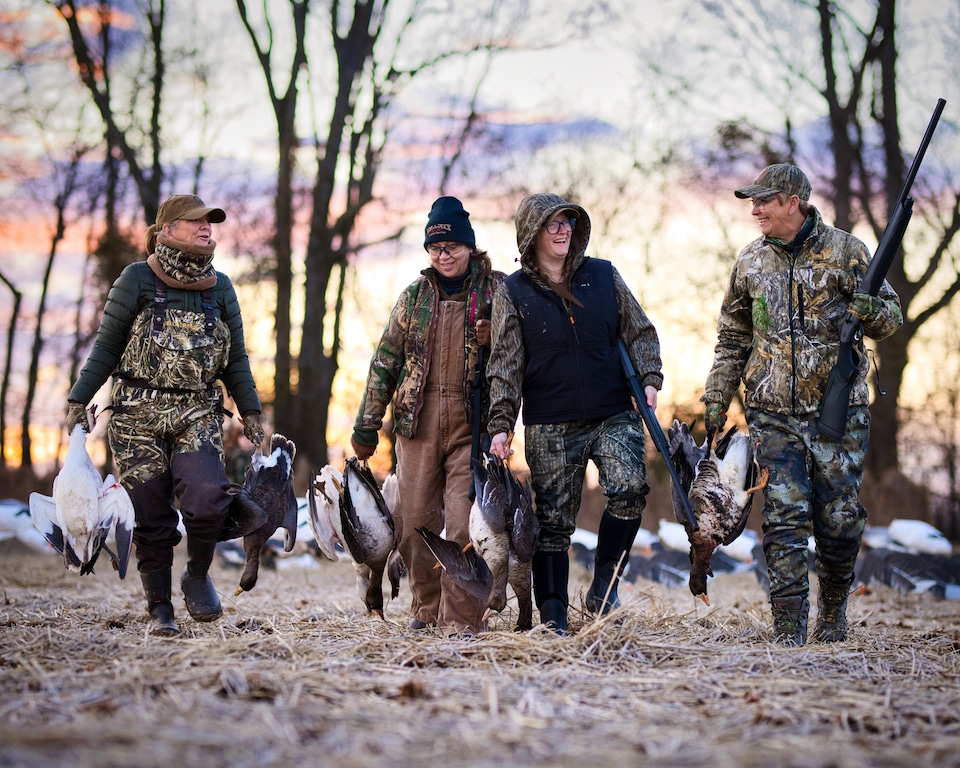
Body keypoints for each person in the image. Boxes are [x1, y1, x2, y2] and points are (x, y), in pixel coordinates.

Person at [701, 163, 902, 646]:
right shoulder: (749, 262)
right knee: (784, 520)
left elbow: (891, 316)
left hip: (838, 413)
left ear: (795, 202)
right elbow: (732, 338)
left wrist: (869, 311)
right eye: (753, 201)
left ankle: (833, 614)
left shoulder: (848, 253)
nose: (756, 210)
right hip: (772, 413)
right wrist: (715, 398)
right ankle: (788, 632)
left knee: (838, 520)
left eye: (765, 201)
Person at [65, 194, 265, 637]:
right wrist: (78, 399)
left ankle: (196, 572)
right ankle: (160, 609)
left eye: (211, 222)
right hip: (136, 417)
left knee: (208, 495)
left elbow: (236, 360)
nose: (206, 228)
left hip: (197, 411)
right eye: (195, 222)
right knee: (151, 517)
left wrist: (250, 411)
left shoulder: (221, 288)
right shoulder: (136, 279)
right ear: (166, 230)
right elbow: (107, 346)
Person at [486, 193, 663, 634]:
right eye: (553, 224)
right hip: (550, 420)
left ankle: (605, 583)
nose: (563, 229)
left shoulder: (602, 275)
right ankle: (553, 616)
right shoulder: (513, 291)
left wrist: (650, 377)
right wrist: (501, 424)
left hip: (612, 411)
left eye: (568, 221)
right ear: (532, 235)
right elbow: (505, 363)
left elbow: (638, 329)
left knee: (630, 488)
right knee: (552, 524)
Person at [351, 196, 502, 636]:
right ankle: (425, 608)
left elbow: (519, 355)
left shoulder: (496, 293)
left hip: (471, 423)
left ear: (469, 247)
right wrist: (367, 425)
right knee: (415, 520)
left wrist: (496, 336)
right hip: (415, 423)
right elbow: (384, 361)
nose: (444, 254)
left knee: (462, 523)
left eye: (452, 246)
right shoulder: (414, 297)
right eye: (436, 248)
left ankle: (460, 619)